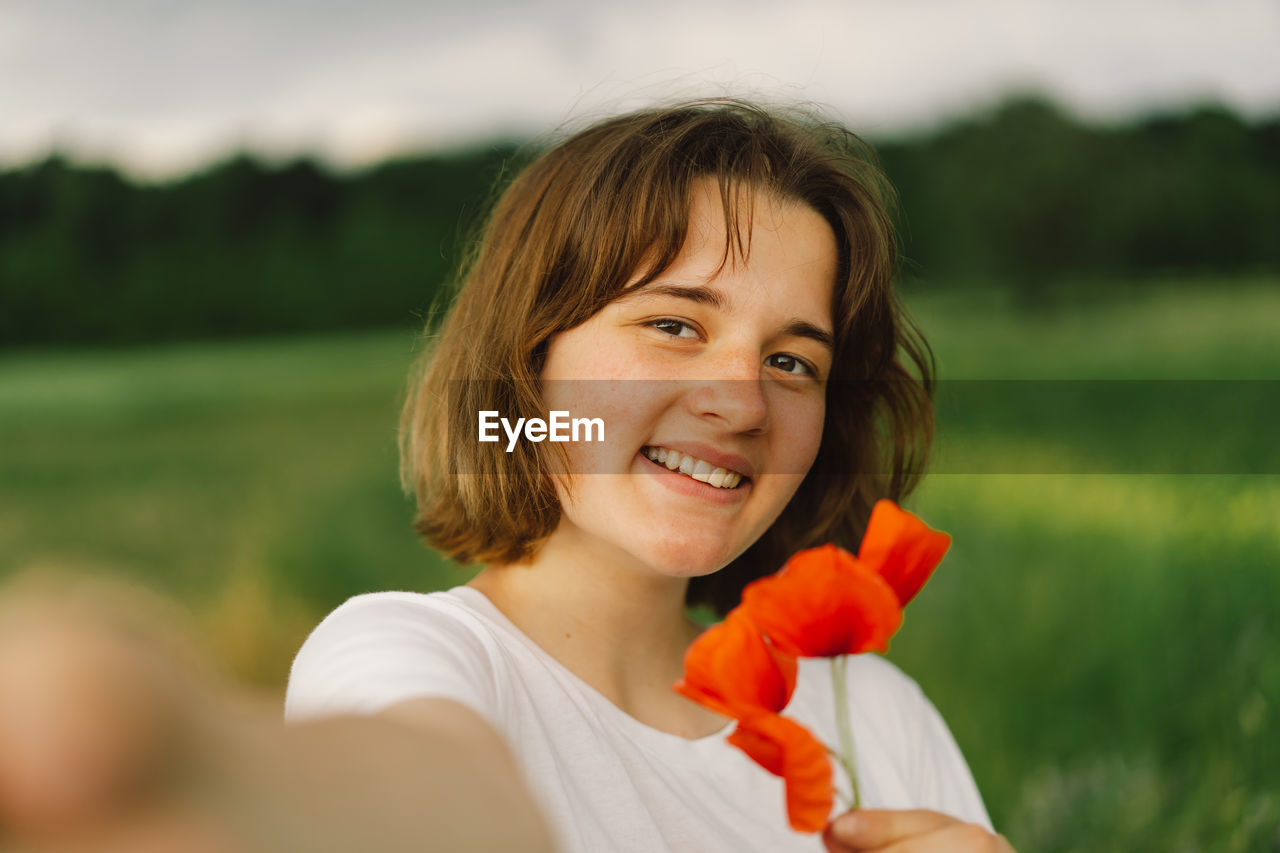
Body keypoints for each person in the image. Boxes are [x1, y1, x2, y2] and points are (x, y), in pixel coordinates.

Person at [0, 99, 1014, 853]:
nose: (742, 401)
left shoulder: (869, 711)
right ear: (527, 363)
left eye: (792, 360)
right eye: (673, 325)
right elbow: (439, 790)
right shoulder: (412, 655)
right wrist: (208, 771)